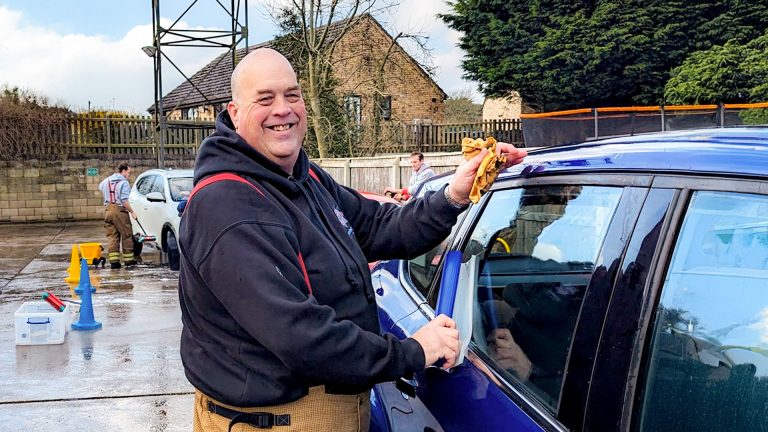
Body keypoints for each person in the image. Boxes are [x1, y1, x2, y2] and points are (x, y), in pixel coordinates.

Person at [178, 48, 527, 432]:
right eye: (265, 98)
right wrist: (413, 351)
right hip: (277, 421)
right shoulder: (227, 206)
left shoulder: (305, 179)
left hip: (326, 409)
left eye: (292, 95)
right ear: (234, 112)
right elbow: (301, 337)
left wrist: (454, 196)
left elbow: (381, 227)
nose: (283, 109)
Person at [98, 162, 137, 269]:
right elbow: (125, 201)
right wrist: (132, 212)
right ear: (123, 171)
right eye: (128, 172)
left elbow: (100, 187)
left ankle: (114, 262)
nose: (129, 174)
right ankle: (129, 261)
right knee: (126, 234)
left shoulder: (107, 180)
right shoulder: (124, 183)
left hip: (107, 210)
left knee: (112, 236)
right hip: (119, 210)